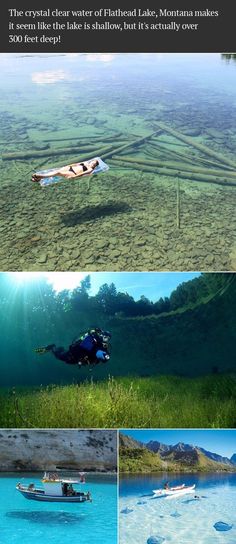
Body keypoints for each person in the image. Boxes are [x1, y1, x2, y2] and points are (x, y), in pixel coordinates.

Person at [35, 328, 111, 368]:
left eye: (107, 338)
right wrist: (97, 352)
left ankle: (60, 349)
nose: (105, 339)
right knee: (59, 356)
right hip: (73, 355)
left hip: (77, 359)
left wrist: (106, 356)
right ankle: (52, 347)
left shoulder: (102, 346)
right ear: (101, 335)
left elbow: (104, 358)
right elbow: (84, 346)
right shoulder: (93, 338)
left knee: (66, 359)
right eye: (104, 337)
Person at [32, 159, 100, 182]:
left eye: (94, 164)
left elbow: (83, 174)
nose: (92, 164)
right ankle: (38, 179)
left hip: (74, 173)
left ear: (95, 166)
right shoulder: (86, 163)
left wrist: (74, 177)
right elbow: (76, 164)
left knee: (58, 172)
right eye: (92, 162)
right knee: (58, 170)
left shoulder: (90, 169)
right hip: (69, 168)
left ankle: (41, 176)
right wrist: (69, 166)